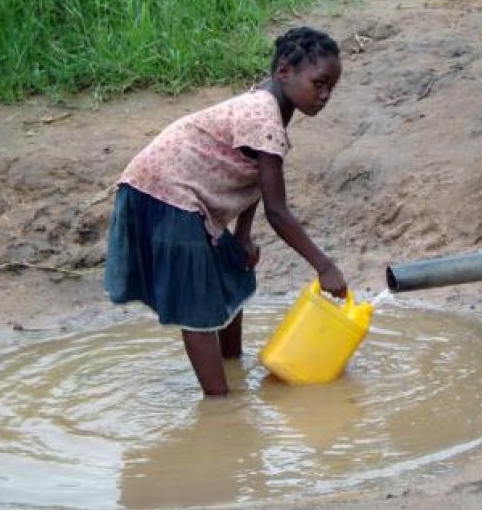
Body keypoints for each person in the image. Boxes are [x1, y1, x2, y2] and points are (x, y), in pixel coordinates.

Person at [104, 26, 348, 396]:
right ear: (284, 71)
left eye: (331, 87)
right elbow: (277, 211)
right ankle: (220, 403)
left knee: (233, 273)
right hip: (165, 194)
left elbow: (249, 175)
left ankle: (232, 367)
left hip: (181, 195)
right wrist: (324, 266)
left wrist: (243, 236)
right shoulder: (264, 116)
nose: (325, 95)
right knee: (198, 303)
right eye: (319, 83)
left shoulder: (269, 108)